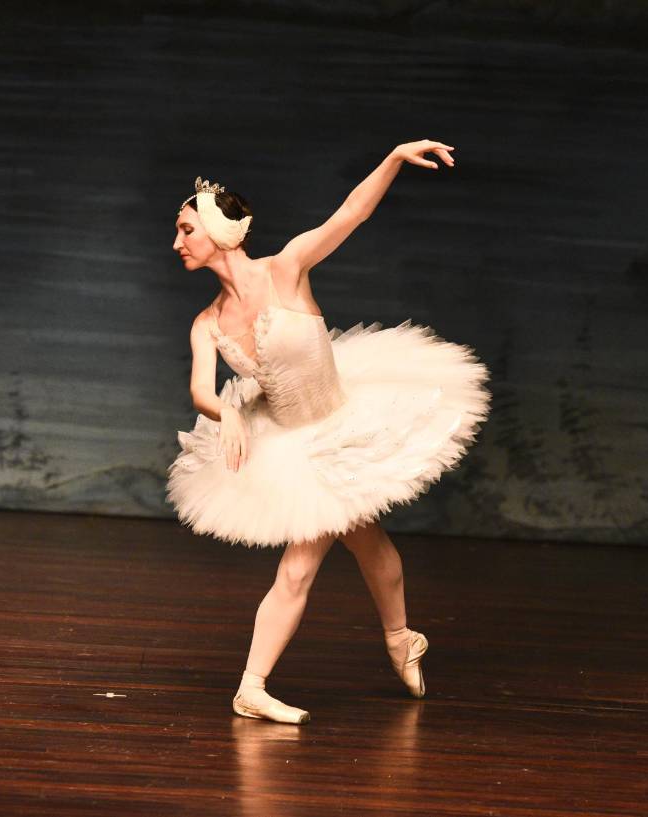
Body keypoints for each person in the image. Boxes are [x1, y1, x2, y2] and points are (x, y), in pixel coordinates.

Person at [167, 140, 491, 724]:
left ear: (219, 232)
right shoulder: (207, 322)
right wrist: (227, 412)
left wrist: (394, 157)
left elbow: (351, 213)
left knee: (334, 557)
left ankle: (270, 680)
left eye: (186, 230)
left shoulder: (286, 268)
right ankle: (394, 642)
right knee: (359, 547)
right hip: (290, 444)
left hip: (344, 424)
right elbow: (200, 391)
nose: (177, 242)